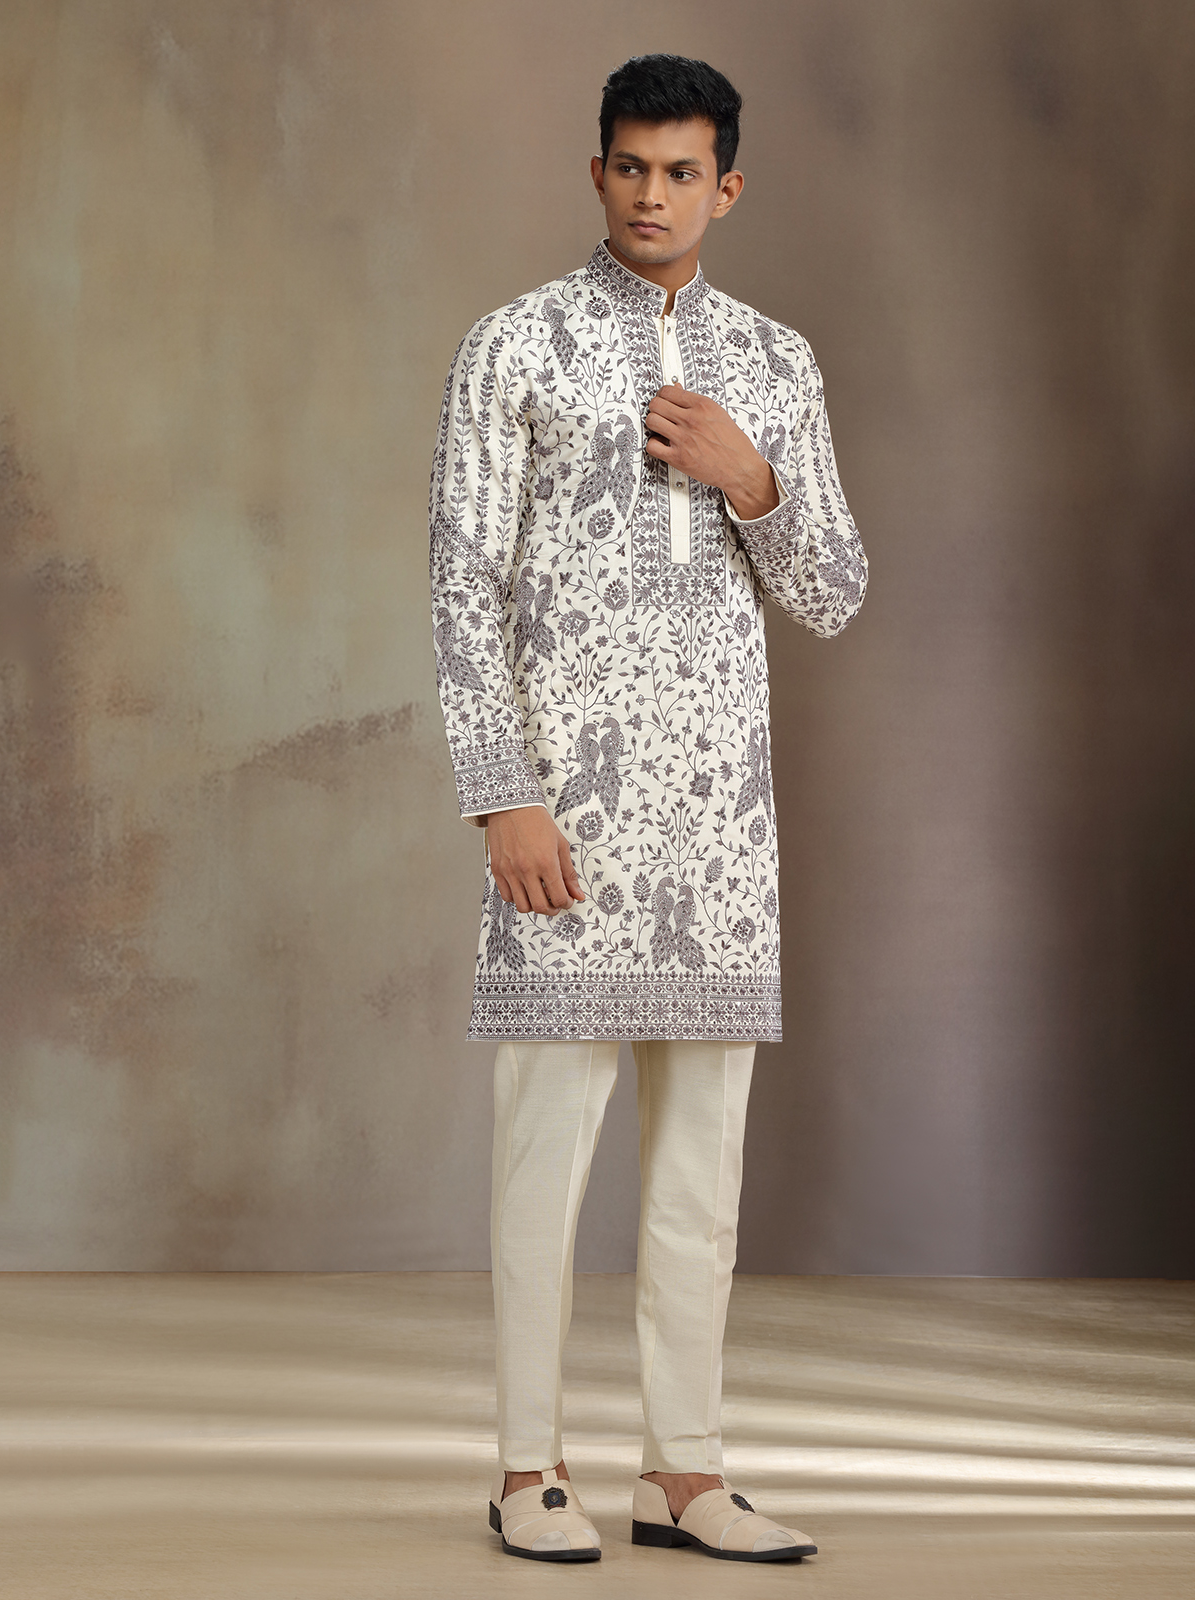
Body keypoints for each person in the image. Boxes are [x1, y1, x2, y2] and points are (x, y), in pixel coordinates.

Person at [429, 53, 867, 1564]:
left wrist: (758, 481)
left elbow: (834, 593)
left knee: (701, 1174)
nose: (652, 195)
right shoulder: (514, 345)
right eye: (630, 166)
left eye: (683, 172)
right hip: (567, 823)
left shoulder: (777, 363)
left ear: (725, 187)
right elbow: (461, 585)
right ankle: (528, 1466)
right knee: (542, 1162)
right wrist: (502, 797)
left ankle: (685, 1473)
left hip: (719, 829)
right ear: (597, 171)